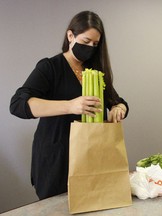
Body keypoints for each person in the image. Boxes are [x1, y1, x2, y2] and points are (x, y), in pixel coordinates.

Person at [9, 11, 129, 200]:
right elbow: (18, 104)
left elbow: (118, 101)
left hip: (91, 156)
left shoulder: (95, 72)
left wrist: (118, 109)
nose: (90, 47)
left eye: (95, 44)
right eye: (86, 40)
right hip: (56, 160)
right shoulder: (50, 67)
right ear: (70, 35)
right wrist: (70, 106)